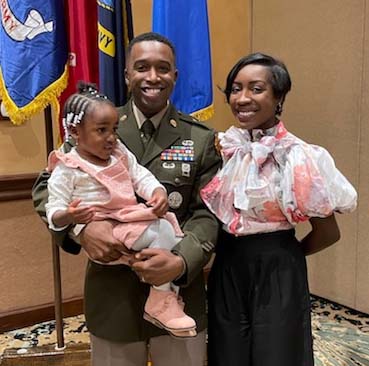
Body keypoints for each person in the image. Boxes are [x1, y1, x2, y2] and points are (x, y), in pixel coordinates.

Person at [32, 32, 221, 366]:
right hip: (113, 296)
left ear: (175, 76)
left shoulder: (200, 138)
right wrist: (81, 230)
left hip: (178, 292)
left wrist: (180, 261)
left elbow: (208, 213)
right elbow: (47, 187)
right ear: (127, 75)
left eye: (163, 68)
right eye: (142, 67)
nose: (152, 77)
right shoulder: (95, 123)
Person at [200, 52, 357, 366]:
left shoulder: (299, 157)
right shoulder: (224, 150)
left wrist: (285, 256)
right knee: (227, 351)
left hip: (278, 270)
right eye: (235, 88)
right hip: (228, 266)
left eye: (256, 89)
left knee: (278, 355)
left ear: (279, 96)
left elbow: (328, 233)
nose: (243, 98)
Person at [46, 81, 197, 338]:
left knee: (167, 232)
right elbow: (53, 207)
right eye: (102, 130)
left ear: (176, 75)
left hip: (127, 220)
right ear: (75, 131)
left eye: (114, 129)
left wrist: (157, 192)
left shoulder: (119, 152)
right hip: (108, 245)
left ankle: (162, 295)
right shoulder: (67, 166)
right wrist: (73, 221)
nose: (111, 137)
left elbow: (141, 176)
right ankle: (161, 298)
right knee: (162, 230)